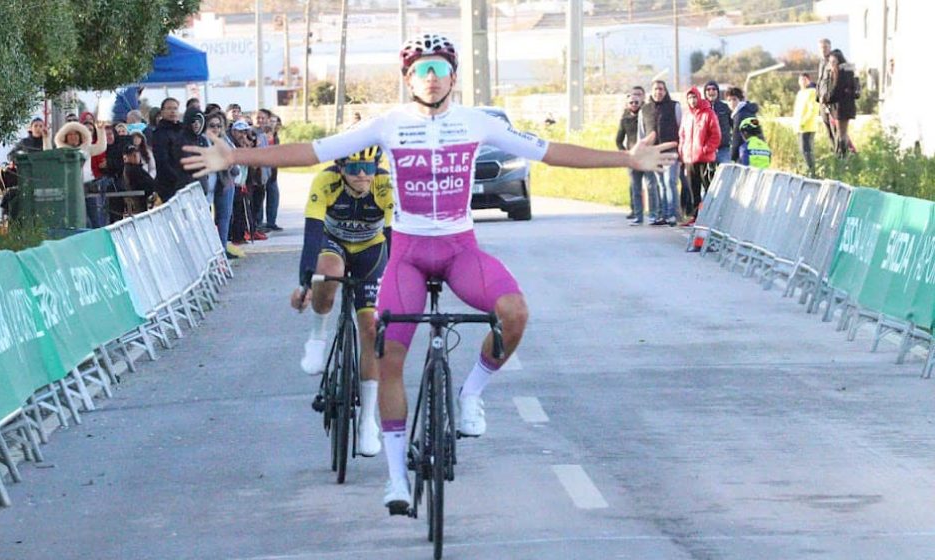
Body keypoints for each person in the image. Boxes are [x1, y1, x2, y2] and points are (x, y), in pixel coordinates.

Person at [181, 33, 676, 513]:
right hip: (409, 255)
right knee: (388, 351)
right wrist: (236, 154)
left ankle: (470, 396)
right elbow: (314, 151)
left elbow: (549, 150)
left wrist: (626, 159)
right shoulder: (388, 124)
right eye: (422, 70)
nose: (432, 78)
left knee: (516, 313)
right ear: (408, 78)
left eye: (440, 70)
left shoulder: (477, 122)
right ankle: (396, 478)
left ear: (454, 77)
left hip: (461, 251)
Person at [292, 147, 394, 457]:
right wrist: (305, 283)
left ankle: (367, 423)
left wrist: (396, 284)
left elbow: (394, 238)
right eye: (355, 167)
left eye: (368, 166)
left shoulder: (385, 185)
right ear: (340, 168)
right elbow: (311, 236)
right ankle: (317, 336)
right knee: (329, 272)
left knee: (370, 331)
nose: (362, 173)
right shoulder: (325, 182)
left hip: (371, 251)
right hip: (332, 244)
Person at [639, 79, 681, 226]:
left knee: (670, 182)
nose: (659, 92)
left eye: (661, 89)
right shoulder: (645, 109)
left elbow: (680, 127)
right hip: (653, 152)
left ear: (665, 91)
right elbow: (642, 133)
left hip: (670, 151)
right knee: (661, 184)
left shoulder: (674, 106)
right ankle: (662, 214)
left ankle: (673, 214)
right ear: (652, 91)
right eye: (656, 89)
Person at [677, 86, 721, 225]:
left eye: (694, 97)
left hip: (705, 158)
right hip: (690, 158)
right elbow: (682, 135)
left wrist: (706, 149)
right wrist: (682, 152)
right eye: (689, 98)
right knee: (693, 189)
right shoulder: (687, 115)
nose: (692, 100)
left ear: (699, 97)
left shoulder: (708, 113)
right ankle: (695, 216)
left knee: (709, 189)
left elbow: (716, 135)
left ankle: (712, 217)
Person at [202, 113, 243, 255]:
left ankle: (223, 249)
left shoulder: (224, 140)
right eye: (212, 126)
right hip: (207, 184)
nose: (216, 129)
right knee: (206, 219)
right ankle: (209, 251)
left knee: (224, 218)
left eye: (219, 126)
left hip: (225, 182)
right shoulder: (202, 141)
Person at [819, 49, 857, 158]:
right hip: (845, 106)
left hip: (841, 107)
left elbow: (837, 89)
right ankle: (842, 156)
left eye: (833, 62)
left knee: (841, 134)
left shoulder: (841, 72)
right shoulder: (849, 71)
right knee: (842, 133)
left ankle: (841, 157)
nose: (831, 65)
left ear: (838, 61)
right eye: (830, 62)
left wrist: (826, 98)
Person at [616, 91, 646, 225]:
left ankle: (654, 214)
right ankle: (638, 215)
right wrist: (625, 154)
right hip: (632, 157)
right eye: (631, 103)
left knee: (652, 186)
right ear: (627, 105)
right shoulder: (625, 120)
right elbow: (618, 140)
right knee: (635, 187)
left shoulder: (646, 116)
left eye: (636, 102)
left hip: (646, 156)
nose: (634, 105)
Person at [793, 73, 821, 175]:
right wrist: (796, 123)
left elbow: (812, 110)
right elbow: (797, 110)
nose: (802, 82)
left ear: (808, 80)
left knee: (807, 149)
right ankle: (806, 169)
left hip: (808, 126)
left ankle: (812, 171)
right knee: (802, 149)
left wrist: (803, 122)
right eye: (801, 80)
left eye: (804, 79)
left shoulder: (812, 92)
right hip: (799, 127)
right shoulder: (800, 93)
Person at [725, 87, 759, 164]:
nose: (732, 103)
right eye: (729, 100)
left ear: (740, 100)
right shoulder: (750, 112)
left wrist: (733, 156)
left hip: (744, 153)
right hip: (756, 152)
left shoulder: (739, 115)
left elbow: (736, 138)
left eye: (734, 99)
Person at [703, 81, 731, 164]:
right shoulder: (701, 108)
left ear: (717, 92)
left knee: (726, 172)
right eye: (708, 89)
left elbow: (733, 124)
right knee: (706, 175)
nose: (711, 91)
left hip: (723, 148)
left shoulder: (725, 107)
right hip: (706, 149)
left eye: (714, 89)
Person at [817, 38, 836, 150]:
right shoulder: (822, 62)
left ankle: (843, 156)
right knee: (829, 130)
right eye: (821, 48)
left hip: (832, 102)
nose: (823, 50)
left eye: (825, 47)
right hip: (822, 103)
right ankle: (835, 154)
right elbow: (821, 81)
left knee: (836, 130)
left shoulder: (833, 61)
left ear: (830, 47)